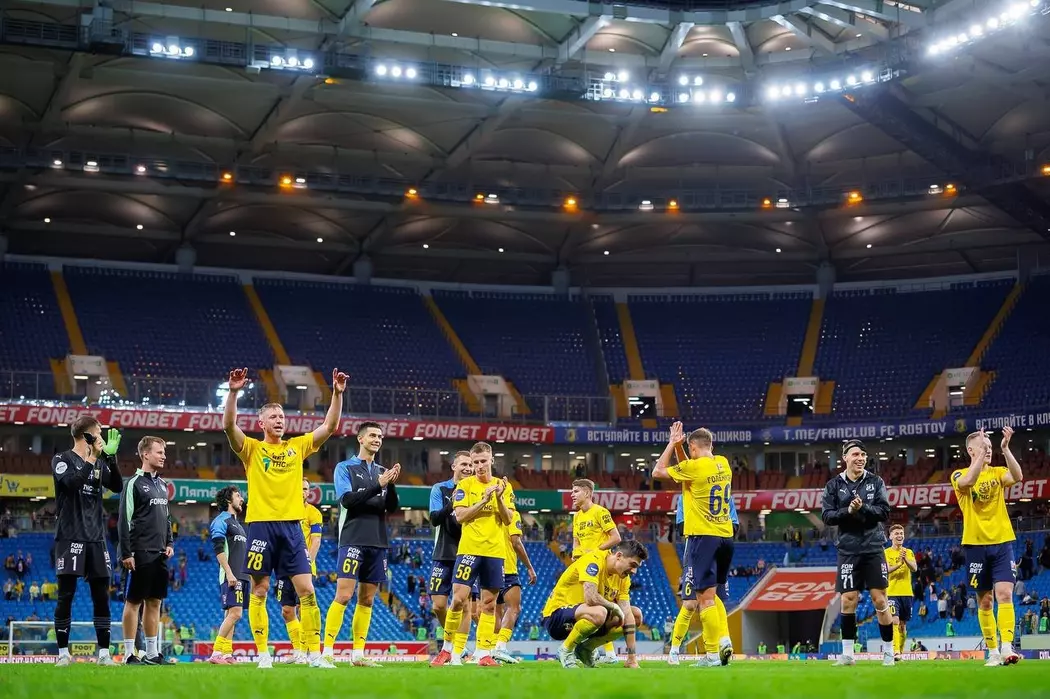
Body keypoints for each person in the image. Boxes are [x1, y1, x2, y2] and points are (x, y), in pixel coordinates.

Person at [222, 366, 347, 669]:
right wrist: (234, 393)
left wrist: (337, 394)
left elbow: (329, 426)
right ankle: (263, 655)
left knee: (307, 591)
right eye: (273, 417)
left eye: (282, 417)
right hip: (261, 527)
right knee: (260, 590)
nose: (279, 420)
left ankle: (314, 655)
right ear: (261, 422)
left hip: (292, 528)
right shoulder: (252, 449)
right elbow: (228, 426)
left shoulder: (297, 447)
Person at [652, 423, 734, 668]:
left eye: (689, 449)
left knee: (705, 599)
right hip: (726, 537)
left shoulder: (694, 467)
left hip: (703, 538)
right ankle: (723, 642)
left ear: (693, 448)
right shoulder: (723, 463)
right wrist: (682, 448)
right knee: (714, 596)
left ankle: (712, 654)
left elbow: (658, 472)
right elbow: (690, 468)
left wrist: (672, 444)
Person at [322, 422, 401, 666]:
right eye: (373, 435)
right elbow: (347, 500)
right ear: (360, 439)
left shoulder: (382, 471)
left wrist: (391, 483)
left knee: (367, 599)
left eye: (380, 436)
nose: (377, 439)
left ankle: (358, 655)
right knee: (344, 595)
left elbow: (392, 507)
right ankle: (327, 652)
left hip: (378, 541)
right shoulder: (345, 468)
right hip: (353, 539)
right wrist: (379, 485)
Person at [51, 416, 124, 667]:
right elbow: (71, 484)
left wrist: (111, 459)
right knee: (66, 595)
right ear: (88, 436)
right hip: (70, 535)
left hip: (96, 538)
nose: (102, 438)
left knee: (101, 596)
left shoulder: (100, 463)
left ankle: (104, 654)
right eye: (99, 433)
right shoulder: (61, 459)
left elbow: (118, 486)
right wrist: (93, 458)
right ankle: (63, 654)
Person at [431, 441, 512, 667]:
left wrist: (498, 498)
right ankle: (447, 650)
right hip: (469, 549)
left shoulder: (503, 486)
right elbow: (460, 516)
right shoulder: (464, 486)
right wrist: (484, 500)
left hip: (495, 552)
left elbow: (508, 519)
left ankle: (484, 653)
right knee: (458, 599)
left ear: (492, 460)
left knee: (489, 604)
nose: (479, 466)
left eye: (483, 461)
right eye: (475, 462)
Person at [951, 427, 1024, 666]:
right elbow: (969, 482)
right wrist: (981, 455)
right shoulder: (958, 474)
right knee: (985, 601)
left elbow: (1017, 476)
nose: (989, 451)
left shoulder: (997, 472)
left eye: (991, 447)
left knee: (1005, 594)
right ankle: (992, 651)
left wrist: (1005, 449)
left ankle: (1007, 647)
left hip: (1002, 542)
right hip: (975, 545)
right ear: (971, 451)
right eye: (984, 447)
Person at [821, 439, 894, 667]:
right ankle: (848, 655)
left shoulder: (876, 481)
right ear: (845, 458)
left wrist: (863, 508)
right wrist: (848, 511)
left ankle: (889, 652)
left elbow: (884, 512)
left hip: (873, 547)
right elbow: (827, 516)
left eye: (863, 455)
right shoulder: (833, 485)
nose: (860, 458)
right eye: (855, 455)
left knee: (879, 599)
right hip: (848, 549)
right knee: (848, 600)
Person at [540, 540, 647, 669]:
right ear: (619, 556)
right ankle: (565, 650)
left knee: (635, 615)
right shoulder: (594, 560)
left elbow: (627, 613)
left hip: (587, 619)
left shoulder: (623, 579)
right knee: (600, 612)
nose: (634, 571)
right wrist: (614, 607)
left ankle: (586, 649)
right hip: (556, 617)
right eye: (632, 565)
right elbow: (590, 597)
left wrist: (632, 659)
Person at [118, 436, 174, 665]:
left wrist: (169, 543)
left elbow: (167, 518)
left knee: (155, 602)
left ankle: (152, 653)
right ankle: (129, 654)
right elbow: (124, 520)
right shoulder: (133, 483)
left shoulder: (162, 485)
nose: (163, 456)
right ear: (145, 454)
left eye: (164, 452)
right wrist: (126, 553)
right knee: (133, 602)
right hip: (139, 553)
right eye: (159, 452)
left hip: (160, 553)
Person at [428, 451, 474, 664]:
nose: (468, 468)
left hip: (468, 552)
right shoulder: (440, 489)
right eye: (464, 464)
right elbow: (435, 519)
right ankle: (454, 642)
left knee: (464, 605)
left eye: (470, 465)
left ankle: (457, 650)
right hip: (443, 552)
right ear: (454, 466)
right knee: (438, 605)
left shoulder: (476, 490)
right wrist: (452, 503)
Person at [570, 478, 620, 666]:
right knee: (588, 608)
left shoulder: (600, 512)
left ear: (587, 493)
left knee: (602, 607)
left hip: (600, 566)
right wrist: (575, 556)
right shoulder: (576, 516)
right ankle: (594, 649)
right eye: (572, 491)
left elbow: (616, 537)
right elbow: (576, 541)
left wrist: (595, 552)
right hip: (583, 567)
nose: (572, 495)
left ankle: (609, 652)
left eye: (576, 491)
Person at [492, 468, 536, 664]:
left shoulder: (490, 514)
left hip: (490, 566)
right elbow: (516, 542)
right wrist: (529, 567)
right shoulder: (512, 514)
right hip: (508, 568)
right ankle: (501, 647)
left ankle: (490, 649)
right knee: (514, 608)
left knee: (495, 611)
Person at [278, 478, 324, 665]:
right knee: (287, 611)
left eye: (306, 489)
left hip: (303, 567)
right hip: (284, 566)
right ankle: (298, 652)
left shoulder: (313, 513)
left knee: (304, 609)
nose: (303, 492)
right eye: (300, 488)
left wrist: (306, 564)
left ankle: (306, 652)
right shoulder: (284, 511)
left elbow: (316, 541)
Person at [208, 486, 249, 664]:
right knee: (236, 613)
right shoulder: (221, 521)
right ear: (228, 500)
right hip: (231, 575)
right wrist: (230, 573)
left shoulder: (238, 525)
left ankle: (226, 653)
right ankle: (216, 652)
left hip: (242, 575)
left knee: (231, 614)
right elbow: (218, 550)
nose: (242, 499)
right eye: (238, 496)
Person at [885, 524, 917, 661]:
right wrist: (899, 564)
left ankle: (900, 652)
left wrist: (905, 560)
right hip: (892, 592)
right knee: (895, 621)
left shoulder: (908, 552)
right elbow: (886, 570)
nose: (899, 536)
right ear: (890, 536)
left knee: (903, 625)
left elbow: (914, 568)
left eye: (901, 533)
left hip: (907, 593)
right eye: (896, 533)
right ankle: (896, 652)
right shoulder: (886, 553)